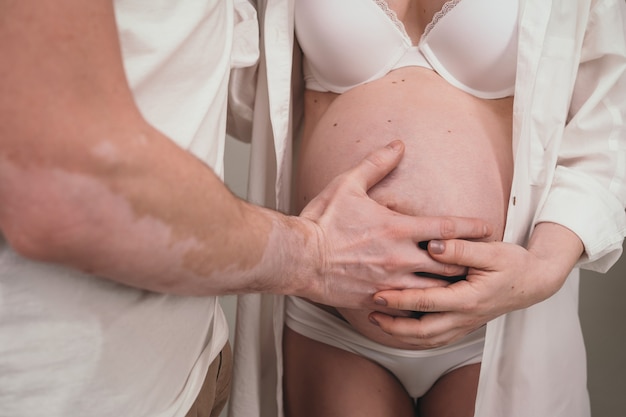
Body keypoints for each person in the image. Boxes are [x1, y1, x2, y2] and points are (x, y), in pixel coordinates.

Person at [0, 1, 495, 417]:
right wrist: (315, 254)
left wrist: (548, 260)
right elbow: (59, 188)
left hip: (183, 361)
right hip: (76, 386)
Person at [229, 1, 626, 417]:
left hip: (498, 320)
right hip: (330, 315)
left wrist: (542, 267)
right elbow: (239, 93)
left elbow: (607, 122)